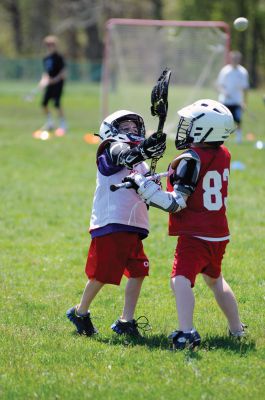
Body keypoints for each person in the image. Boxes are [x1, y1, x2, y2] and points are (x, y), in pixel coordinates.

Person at [123, 99, 246, 350]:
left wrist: (145, 190)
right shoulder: (223, 154)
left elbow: (177, 203)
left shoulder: (191, 159)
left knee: (179, 279)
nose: (185, 129)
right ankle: (237, 329)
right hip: (218, 233)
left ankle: (186, 332)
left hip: (196, 235)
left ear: (205, 130)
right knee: (215, 280)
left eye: (191, 125)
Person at [66, 110, 166, 337]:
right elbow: (123, 156)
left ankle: (125, 321)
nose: (131, 132)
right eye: (125, 128)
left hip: (132, 226)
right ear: (111, 130)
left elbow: (150, 188)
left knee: (139, 270)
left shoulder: (140, 162)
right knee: (102, 275)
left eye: (134, 128)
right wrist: (144, 150)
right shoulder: (109, 148)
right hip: (112, 223)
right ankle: (80, 312)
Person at [216, 50, 249, 144]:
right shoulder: (225, 70)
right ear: (230, 59)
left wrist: (245, 102)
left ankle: (239, 138)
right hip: (225, 101)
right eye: (233, 58)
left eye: (237, 59)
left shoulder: (243, 72)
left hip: (237, 101)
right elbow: (219, 85)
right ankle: (221, 138)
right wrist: (223, 91)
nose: (235, 60)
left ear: (239, 60)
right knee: (223, 121)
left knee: (238, 120)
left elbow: (245, 88)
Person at [39, 35, 67, 134]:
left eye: (52, 45)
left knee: (57, 104)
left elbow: (63, 73)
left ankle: (63, 125)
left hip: (58, 84)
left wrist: (54, 80)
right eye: (48, 45)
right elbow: (46, 72)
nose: (50, 46)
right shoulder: (46, 58)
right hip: (50, 84)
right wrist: (43, 82)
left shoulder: (59, 57)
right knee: (44, 103)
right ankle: (50, 123)